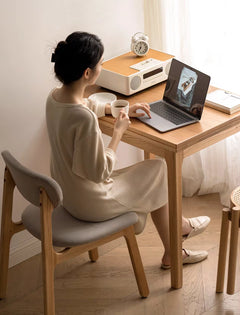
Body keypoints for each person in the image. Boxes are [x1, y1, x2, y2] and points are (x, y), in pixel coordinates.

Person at [46, 31, 210, 269]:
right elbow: (100, 172)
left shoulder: (54, 99)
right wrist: (118, 132)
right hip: (91, 201)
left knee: (156, 170)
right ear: (88, 73)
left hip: (68, 193)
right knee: (159, 170)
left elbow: (86, 105)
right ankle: (177, 240)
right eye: (101, 63)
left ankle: (177, 240)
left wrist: (121, 109)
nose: (102, 67)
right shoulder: (83, 119)